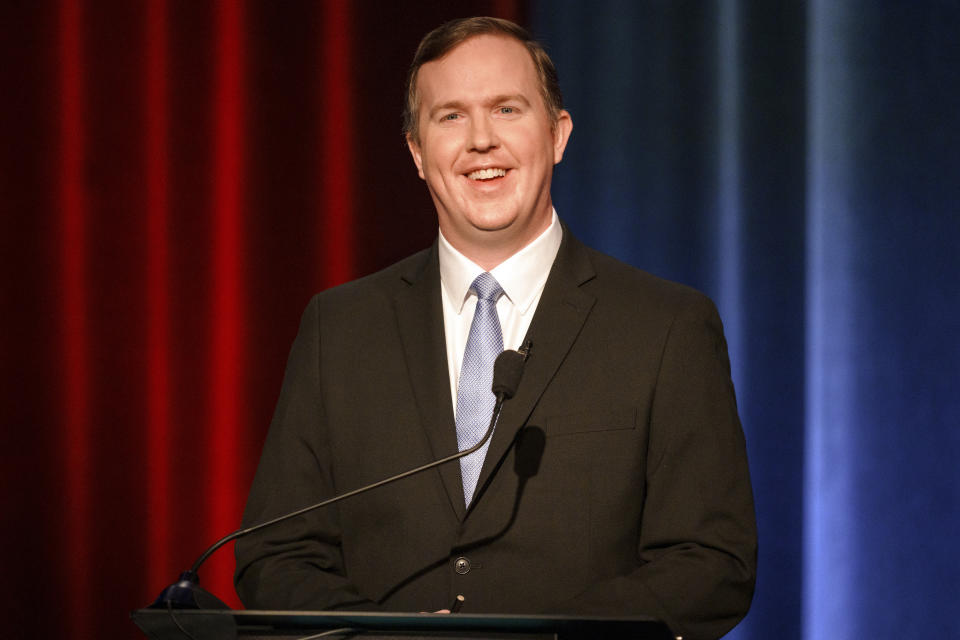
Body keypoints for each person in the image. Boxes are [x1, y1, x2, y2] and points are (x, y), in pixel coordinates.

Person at [235, 17, 756, 640]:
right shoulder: (339, 329)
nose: (481, 140)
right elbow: (276, 555)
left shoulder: (666, 326)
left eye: (507, 109)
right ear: (417, 153)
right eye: (450, 116)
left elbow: (710, 564)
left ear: (558, 134)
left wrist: (543, 637)